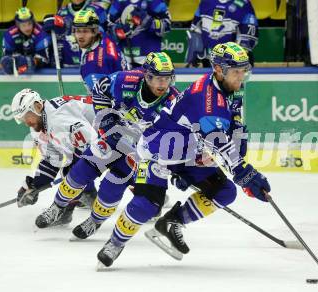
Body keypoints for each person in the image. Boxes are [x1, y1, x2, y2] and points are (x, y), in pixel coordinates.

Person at [96, 42, 270, 268]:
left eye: (243, 71)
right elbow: (219, 144)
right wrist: (245, 174)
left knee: (224, 191)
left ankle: (172, 222)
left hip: (188, 150)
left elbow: (233, 121)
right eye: (237, 71)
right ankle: (115, 243)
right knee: (147, 204)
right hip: (157, 149)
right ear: (219, 69)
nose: (241, 76)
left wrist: (238, 140)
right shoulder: (208, 100)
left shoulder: (229, 85)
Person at [35, 52, 179, 239]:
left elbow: (179, 132)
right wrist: (106, 118)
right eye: (157, 78)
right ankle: (56, 207)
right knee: (79, 172)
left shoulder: (174, 101)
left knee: (111, 188)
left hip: (135, 154)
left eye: (166, 79)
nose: (162, 84)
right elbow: (100, 89)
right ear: (146, 75)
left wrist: (172, 159)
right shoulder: (126, 80)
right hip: (111, 140)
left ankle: (94, 221)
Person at [11, 89, 99, 225]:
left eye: (26, 117)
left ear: (37, 107)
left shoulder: (59, 119)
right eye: (22, 120)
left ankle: (65, 210)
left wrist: (73, 172)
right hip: (97, 136)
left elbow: (90, 143)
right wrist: (35, 185)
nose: (26, 123)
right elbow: (52, 159)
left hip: (117, 128)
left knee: (72, 171)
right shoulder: (40, 124)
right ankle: (87, 196)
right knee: (71, 170)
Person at [185, 0, 258, 67]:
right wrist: (194, 55)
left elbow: (247, 40)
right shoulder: (205, 2)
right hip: (207, 59)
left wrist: (237, 59)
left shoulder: (244, 4)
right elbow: (195, 32)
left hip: (233, 62)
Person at [42, 0, 108, 67]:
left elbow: (104, 36)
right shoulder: (62, 12)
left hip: (92, 63)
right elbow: (59, 38)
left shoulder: (98, 10)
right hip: (67, 64)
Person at [108, 0, 171, 68]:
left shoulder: (155, 2)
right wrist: (116, 30)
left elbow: (167, 26)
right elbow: (108, 26)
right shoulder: (119, 2)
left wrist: (150, 22)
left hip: (150, 60)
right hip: (124, 61)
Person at [0, 7, 49, 75]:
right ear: (17, 24)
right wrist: (7, 63)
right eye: (23, 25)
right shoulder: (9, 35)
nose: (27, 28)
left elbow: (44, 59)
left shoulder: (41, 34)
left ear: (33, 22)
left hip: (40, 73)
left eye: (29, 24)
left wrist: (28, 62)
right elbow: (5, 57)